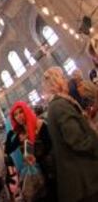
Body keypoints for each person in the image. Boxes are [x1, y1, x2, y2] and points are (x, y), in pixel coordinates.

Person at [43, 67, 98, 202]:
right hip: (84, 180)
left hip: (80, 180)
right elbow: (77, 140)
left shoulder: (55, 106)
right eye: (62, 77)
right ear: (56, 83)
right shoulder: (60, 106)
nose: (66, 81)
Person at [6, 101, 56, 201]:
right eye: (15, 115)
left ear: (26, 111)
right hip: (36, 173)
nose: (19, 116)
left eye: (21, 112)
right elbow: (8, 148)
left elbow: (50, 145)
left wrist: (36, 156)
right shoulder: (20, 133)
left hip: (49, 169)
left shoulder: (39, 124)